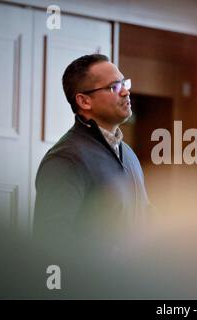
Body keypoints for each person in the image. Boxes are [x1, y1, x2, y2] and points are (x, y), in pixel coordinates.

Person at [33, 54, 150, 255]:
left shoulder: (128, 154)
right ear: (84, 101)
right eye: (114, 87)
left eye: (124, 83)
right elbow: (51, 240)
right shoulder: (66, 159)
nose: (125, 92)